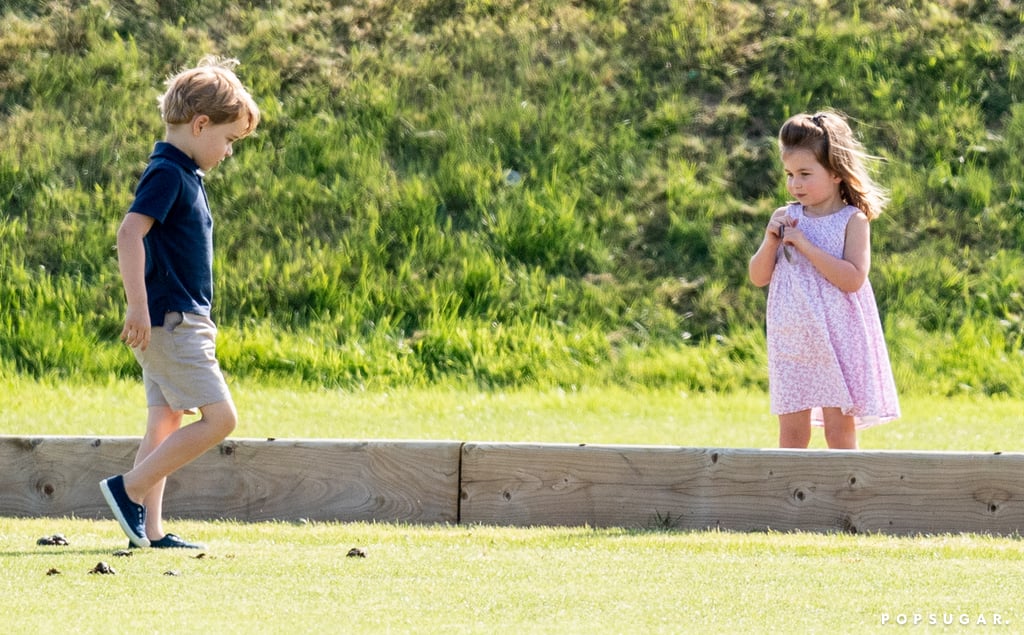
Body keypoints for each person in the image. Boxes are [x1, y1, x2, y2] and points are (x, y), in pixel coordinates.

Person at [100, 56, 260, 548]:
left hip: (180, 318)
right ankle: (127, 490)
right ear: (200, 123)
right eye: (229, 139)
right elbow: (130, 234)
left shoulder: (183, 173)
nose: (229, 151)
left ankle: (146, 530)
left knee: (164, 423)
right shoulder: (168, 172)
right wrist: (137, 306)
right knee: (221, 420)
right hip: (171, 321)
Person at [748, 110, 899, 449]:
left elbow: (853, 279)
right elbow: (758, 277)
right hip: (793, 340)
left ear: (835, 172)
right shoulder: (785, 216)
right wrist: (770, 240)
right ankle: (791, 498)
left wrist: (805, 246)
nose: (795, 184)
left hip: (838, 339)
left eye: (804, 173)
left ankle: (846, 500)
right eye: (789, 174)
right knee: (792, 433)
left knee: (839, 430)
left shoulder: (852, 220)